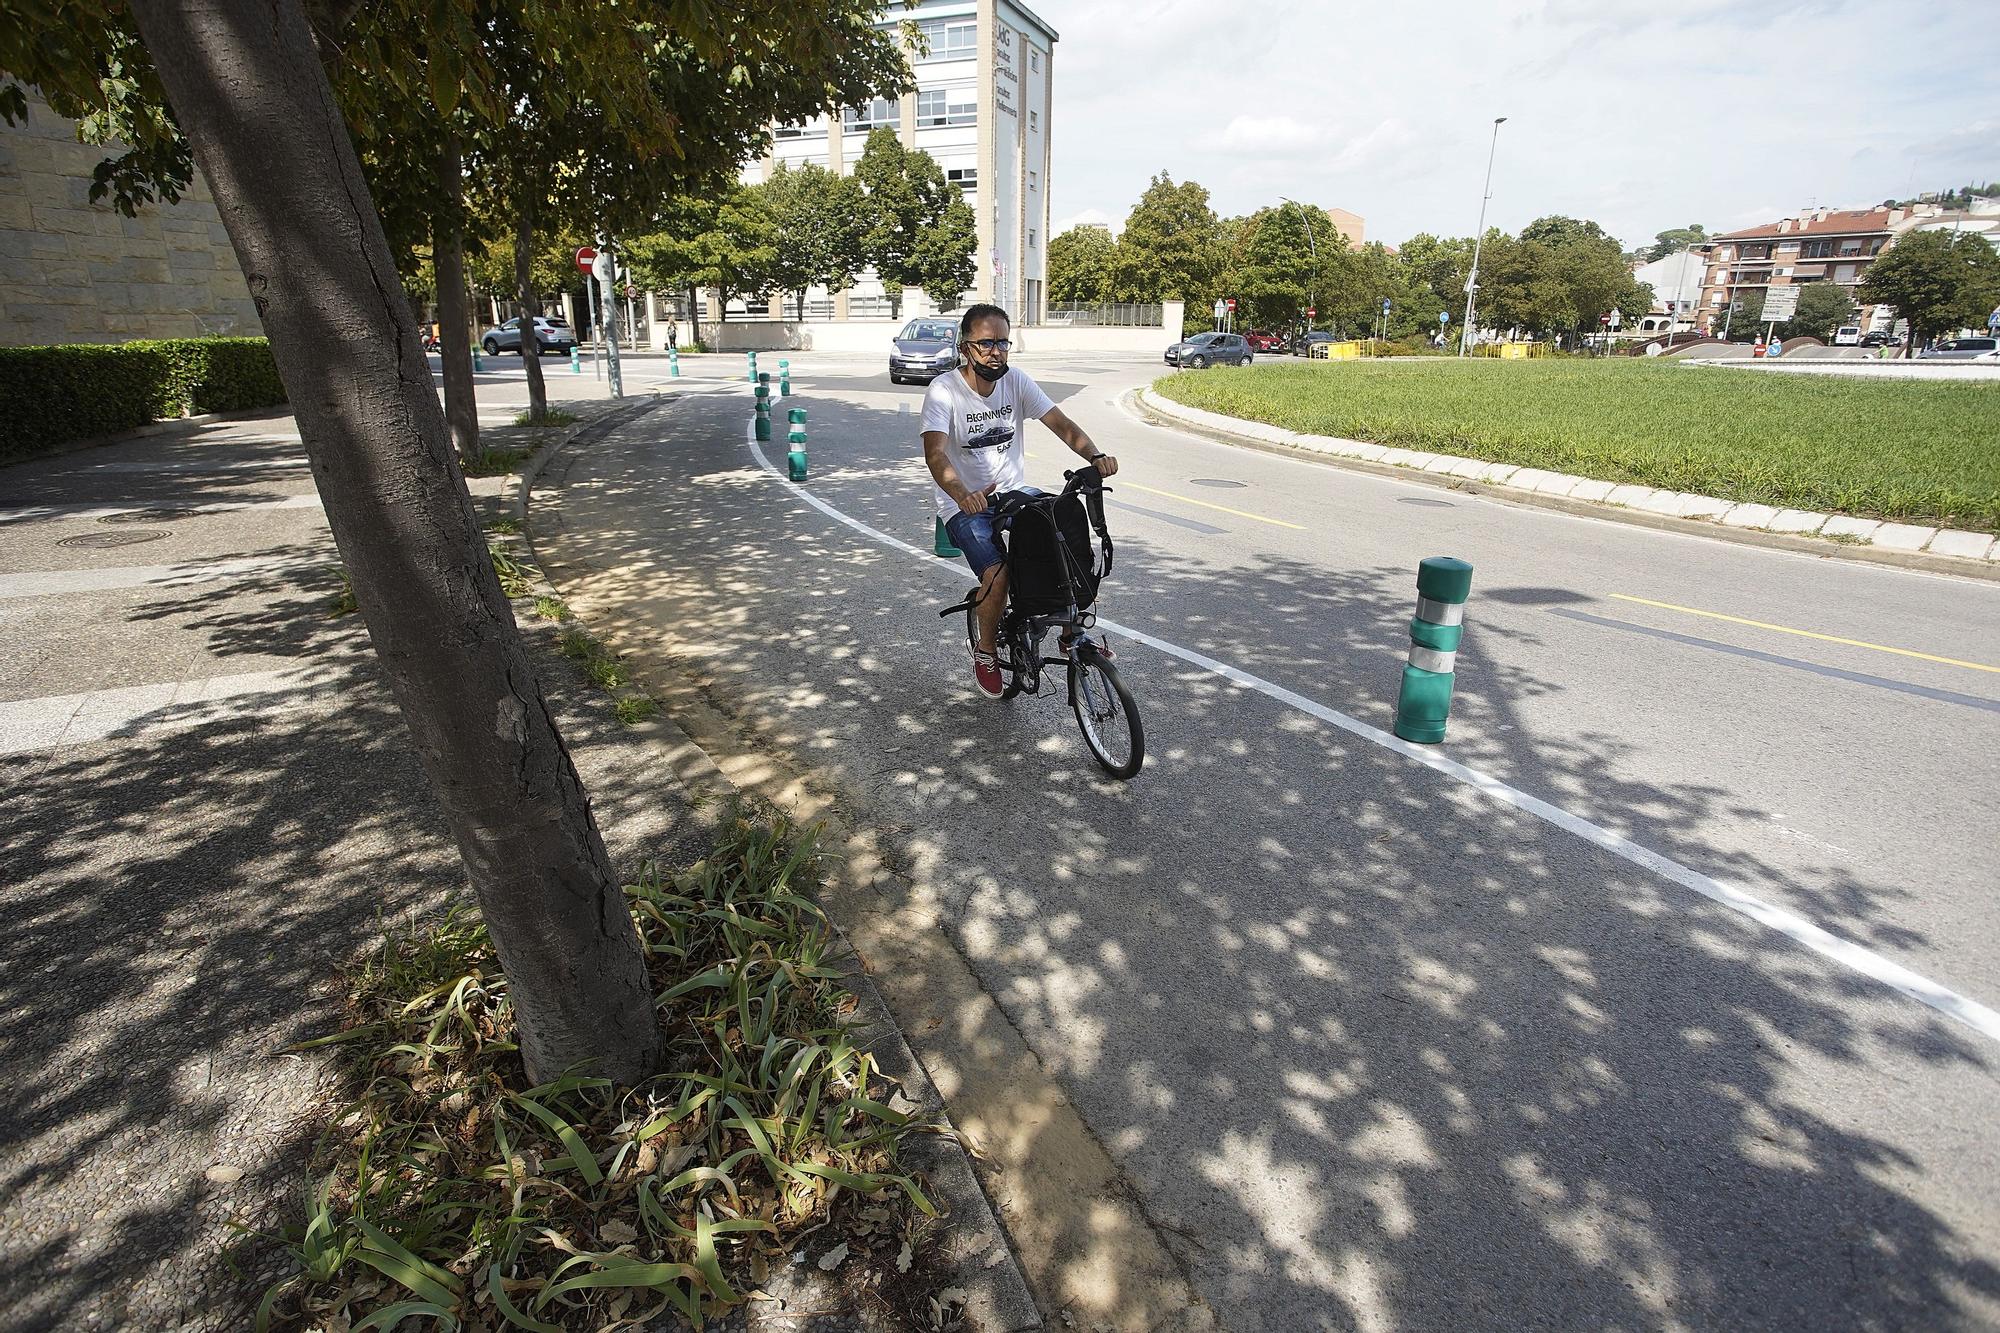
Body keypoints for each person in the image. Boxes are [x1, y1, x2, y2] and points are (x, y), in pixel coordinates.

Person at [922, 303, 1118, 698]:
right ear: (965, 347)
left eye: (1003, 343)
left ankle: (1071, 634)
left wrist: (1095, 457)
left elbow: (1060, 423)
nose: (996, 351)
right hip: (964, 505)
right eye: (986, 343)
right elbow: (936, 454)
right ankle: (986, 649)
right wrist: (962, 494)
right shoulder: (944, 390)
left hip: (1014, 494)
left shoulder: (1017, 383)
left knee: (1068, 538)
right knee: (999, 576)